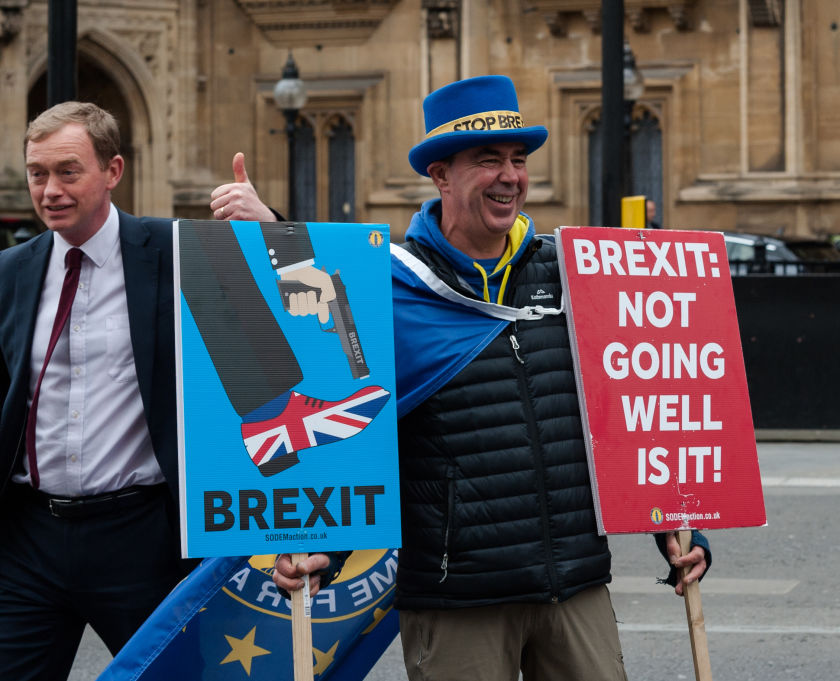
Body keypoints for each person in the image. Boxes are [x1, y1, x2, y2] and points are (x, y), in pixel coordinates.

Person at [212, 75, 709, 681]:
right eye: (487, 160)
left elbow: (636, 403)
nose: (510, 176)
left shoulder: (574, 271)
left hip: (573, 582)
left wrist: (677, 521)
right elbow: (345, 413)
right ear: (441, 175)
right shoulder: (386, 285)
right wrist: (328, 546)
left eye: (518, 160)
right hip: (458, 596)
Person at [0, 102, 195, 681]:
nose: (49, 190)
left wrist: (266, 219)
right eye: (36, 173)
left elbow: (286, 287)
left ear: (113, 171)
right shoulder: (13, 268)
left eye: (68, 171)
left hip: (141, 537)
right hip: (25, 540)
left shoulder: (170, 250)